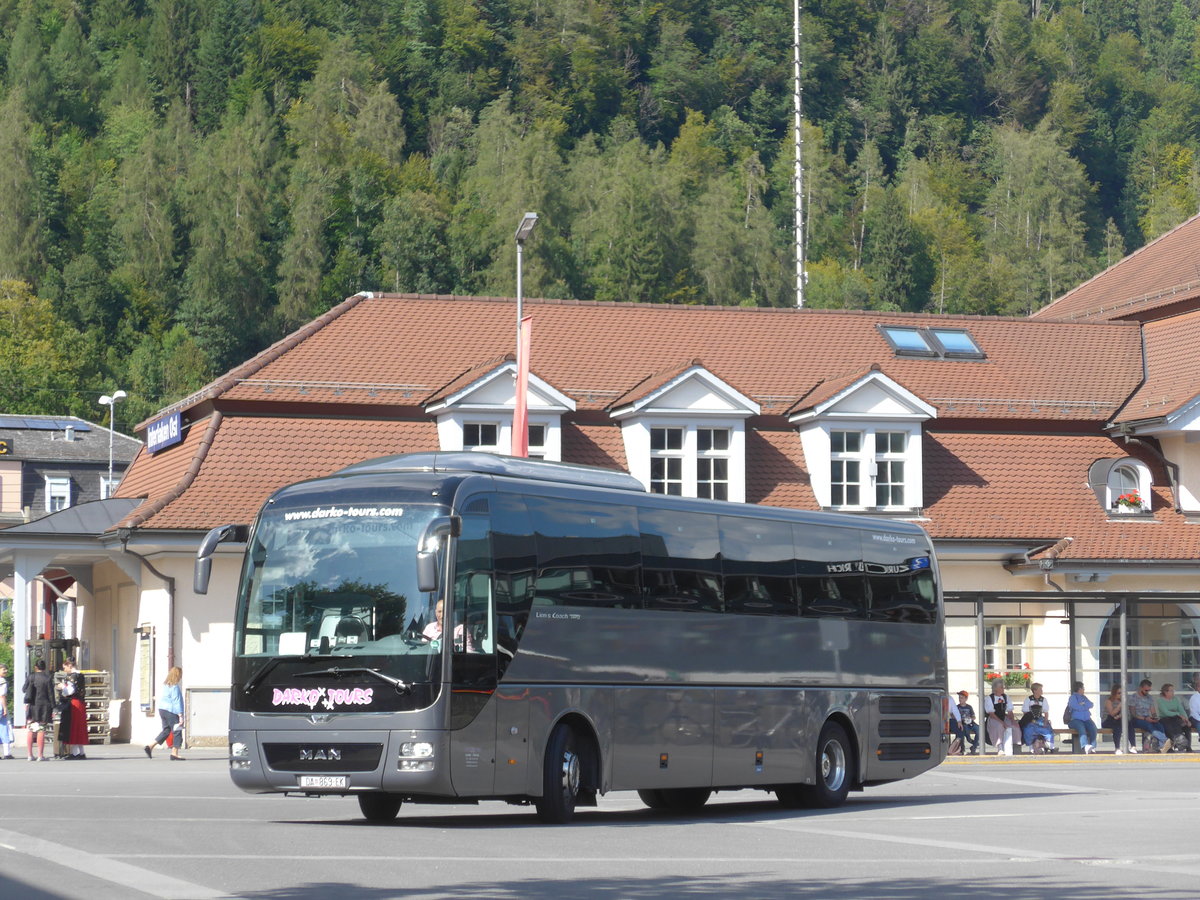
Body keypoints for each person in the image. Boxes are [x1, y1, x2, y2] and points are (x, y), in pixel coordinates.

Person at [145, 667, 185, 760]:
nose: (181, 676)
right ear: (177, 675)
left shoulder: (166, 685)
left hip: (162, 710)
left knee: (166, 730)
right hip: (171, 711)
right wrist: (180, 715)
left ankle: (150, 746)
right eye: (180, 674)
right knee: (177, 731)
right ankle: (174, 753)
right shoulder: (175, 687)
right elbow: (176, 701)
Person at [58, 658, 88, 760]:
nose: (64, 670)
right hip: (81, 703)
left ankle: (74, 753)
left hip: (74, 703)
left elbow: (70, 691)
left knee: (73, 727)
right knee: (79, 728)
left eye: (65, 667)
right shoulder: (81, 675)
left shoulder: (72, 676)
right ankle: (81, 752)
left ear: (69, 665)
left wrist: (63, 687)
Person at [24, 659, 54, 762]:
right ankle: (40, 755)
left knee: (31, 729)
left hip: (32, 706)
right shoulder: (48, 678)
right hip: (44, 707)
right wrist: (54, 707)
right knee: (41, 729)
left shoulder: (31, 677)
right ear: (44, 668)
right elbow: (51, 694)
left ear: (35, 667)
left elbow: (24, 689)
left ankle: (29, 755)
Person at [1129, 678, 1168, 752]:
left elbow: (1153, 710)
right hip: (1137, 719)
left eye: (1149, 690)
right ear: (1141, 688)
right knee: (1149, 726)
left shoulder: (1149, 697)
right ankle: (1165, 740)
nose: (1147, 692)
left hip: (1147, 718)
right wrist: (1145, 718)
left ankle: (1161, 746)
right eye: (1146, 690)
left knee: (1159, 725)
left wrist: (1155, 718)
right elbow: (1133, 714)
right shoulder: (1133, 697)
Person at [984, 680, 1019, 756]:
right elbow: (991, 714)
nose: (1003, 688)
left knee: (1015, 726)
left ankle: (1014, 746)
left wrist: (1013, 720)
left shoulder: (1006, 697)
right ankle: (1000, 748)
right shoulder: (989, 698)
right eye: (1001, 687)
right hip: (994, 718)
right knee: (999, 726)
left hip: (1004, 717)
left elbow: (1010, 711)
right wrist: (1002, 723)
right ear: (996, 688)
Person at [1101, 684, 1137, 754]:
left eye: (1122, 693)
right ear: (1114, 693)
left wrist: (1120, 715)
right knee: (1117, 726)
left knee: (1129, 724)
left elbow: (1126, 714)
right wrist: (1119, 706)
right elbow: (1112, 713)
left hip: (1119, 720)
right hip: (1108, 720)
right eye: (1119, 693)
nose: (1120, 695)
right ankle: (1117, 748)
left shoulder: (1123, 701)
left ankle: (1133, 746)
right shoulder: (1109, 701)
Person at [1020, 683, 1056, 753]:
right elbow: (1025, 713)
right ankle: (1031, 746)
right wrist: (1031, 721)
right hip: (1030, 720)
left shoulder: (1043, 700)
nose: (1042, 691)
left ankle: (1050, 746)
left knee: (1047, 730)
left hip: (1040, 719)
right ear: (1035, 690)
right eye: (1040, 689)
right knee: (1028, 730)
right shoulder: (1028, 699)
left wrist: (1045, 722)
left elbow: (1046, 712)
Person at [1154, 683, 1191, 752]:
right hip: (1165, 719)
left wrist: (1186, 719)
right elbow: (1166, 712)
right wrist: (1177, 714)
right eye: (1171, 690)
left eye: (1173, 690)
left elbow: (1181, 710)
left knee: (1186, 726)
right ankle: (1171, 747)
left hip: (1176, 718)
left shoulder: (1175, 699)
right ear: (1166, 692)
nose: (1173, 692)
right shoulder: (1160, 701)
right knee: (1169, 727)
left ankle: (1187, 746)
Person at [1065, 681, 1098, 754]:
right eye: (1083, 688)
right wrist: (1084, 706)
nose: (1084, 689)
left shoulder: (1084, 697)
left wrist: (1082, 704)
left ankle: (1092, 746)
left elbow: (1091, 704)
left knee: (1093, 728)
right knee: (1081, 728)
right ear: (1079, 689)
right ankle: (1085, 746)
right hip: (1075, 720)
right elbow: (1075, 706)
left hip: (1086, 719)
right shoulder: (1072, 697)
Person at [956, 690, 980, 755]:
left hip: (970, 723)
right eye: (959, 697)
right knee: (965, 732)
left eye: (962, 698)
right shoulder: (957, 707)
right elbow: (954, 716)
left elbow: (973, 716)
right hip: (963, 724)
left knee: (979, 730)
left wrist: (970, 719)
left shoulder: (969, 707)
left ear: (966, 699)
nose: (960, 699)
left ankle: (974, 747)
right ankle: (972, 742)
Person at [0, 664, 13, 759]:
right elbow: (2, 696)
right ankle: (6, 752)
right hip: (0, 706)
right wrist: (5, 708)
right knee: (4, 728)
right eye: (3, 669)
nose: (6, 671)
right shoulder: (2, 681)